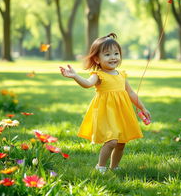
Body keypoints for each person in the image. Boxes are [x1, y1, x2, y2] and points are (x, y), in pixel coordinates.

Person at [59, 33, 151, 173]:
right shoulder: (98, 75)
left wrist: (142, 107)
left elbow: (131, 93)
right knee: (112, 141)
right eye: (107, 55)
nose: (113, 57)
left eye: (116, 53)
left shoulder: (121, 74)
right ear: (97, 59)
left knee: (121, 142)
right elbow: (87, 84)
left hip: (121, 112)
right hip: (106, 112)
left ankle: (114, 167)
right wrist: (75, 76)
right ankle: (100, 167)